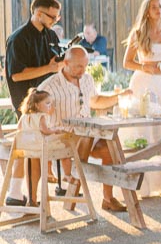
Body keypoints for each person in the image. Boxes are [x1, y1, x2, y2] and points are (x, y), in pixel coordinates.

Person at [35, 47, 123, 210]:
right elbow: (33, 110)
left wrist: (118, 97)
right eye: (78, 67)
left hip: (87, 135)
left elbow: (94, 101)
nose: (83, 71)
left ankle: (108, 198)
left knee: (110, 148)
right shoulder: (49, 86)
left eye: (85, 66)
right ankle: (72, 181)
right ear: (66, 63)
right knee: (88, 137)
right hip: (63, 137)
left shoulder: (87, 79)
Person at [5, 0, 65, 122]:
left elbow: (57, 64)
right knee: (31, 140)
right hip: (27, 104)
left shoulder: (52, 35)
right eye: (52, 17)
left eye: (57, 17)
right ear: (38, 14)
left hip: (50, 99)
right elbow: (16, 75)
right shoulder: (17, 39)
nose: (55, 21)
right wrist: (49, 68)